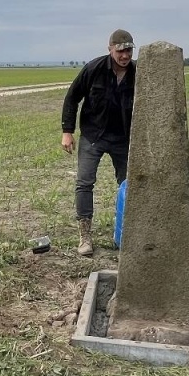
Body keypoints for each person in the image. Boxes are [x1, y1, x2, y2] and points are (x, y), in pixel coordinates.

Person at [61, 29, 136, 256]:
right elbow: (72, 97)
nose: (125, 55)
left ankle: (128, 234)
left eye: (129, 50)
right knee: (84, 183)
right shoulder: (93, 69)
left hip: (123, 138)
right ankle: (85, 236)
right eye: (120, 51)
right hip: (93, 135)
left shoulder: (139, 73)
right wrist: (67, 131)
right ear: (110, 48)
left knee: (130, 185)